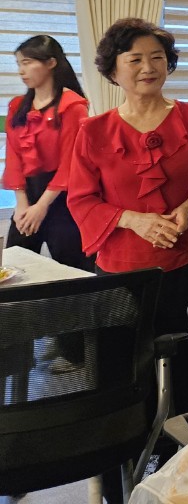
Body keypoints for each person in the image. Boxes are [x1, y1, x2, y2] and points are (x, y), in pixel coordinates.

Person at [66, 18, 188, 414]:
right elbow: (81, 198)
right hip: (124, 270)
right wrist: (133, 219)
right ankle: (132, 439)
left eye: (157, 58)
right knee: (123, 362)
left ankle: (183, 432)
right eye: (135, 59)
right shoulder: (93, 132)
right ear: (113, 70)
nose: (148, 67)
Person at [5, 35, 93, 371]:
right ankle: (16, 354)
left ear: (51, 63)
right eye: (19, 64)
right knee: (14, 274)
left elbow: (72, 162)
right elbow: (14, 157)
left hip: (65, 201)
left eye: (28, 63)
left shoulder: (73, 105)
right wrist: (22, 204)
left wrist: (42, 206)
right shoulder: (18, 106)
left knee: (71, 275)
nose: (22, 71)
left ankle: (75, 352)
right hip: (27, 198)